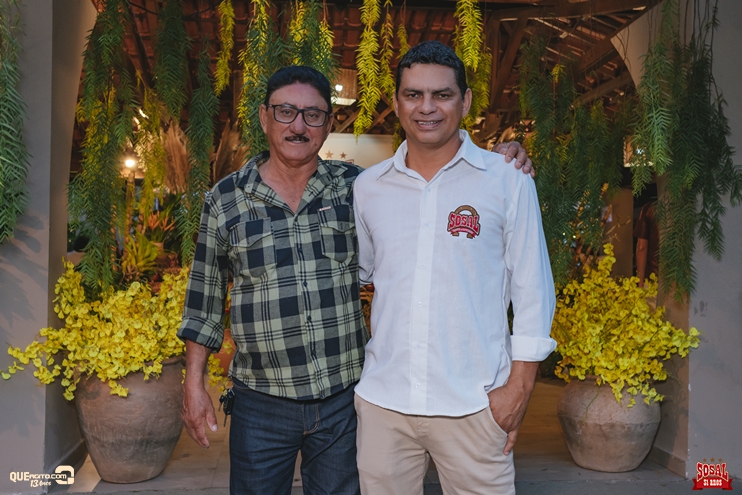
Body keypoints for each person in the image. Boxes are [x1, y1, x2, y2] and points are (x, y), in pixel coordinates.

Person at [177, 65, 534, 495]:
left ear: (329, 124)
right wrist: (193, 383)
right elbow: (204, 299)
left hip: (341, 402)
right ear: (264, 117)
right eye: (286, 111)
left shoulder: (358, 188)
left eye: (313, 115)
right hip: (261, 401)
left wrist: (502, 158)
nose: (298, 126)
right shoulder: (226, 199)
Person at [352, 41, 556, 495]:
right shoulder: (368, 188)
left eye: (442, 95)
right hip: (385, 404)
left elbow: (533, 290)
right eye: (413, 94)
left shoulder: (507, 179)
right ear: (396, 102)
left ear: (465, 101)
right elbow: (362, 275)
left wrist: (518, 391)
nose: (427, 107)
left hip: (475, 405)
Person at [634, 200, 659, 287]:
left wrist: (640, 282)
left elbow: (641, 247)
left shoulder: (649, 208)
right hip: (679, 278)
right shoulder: (683, 208)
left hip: (653, 277)